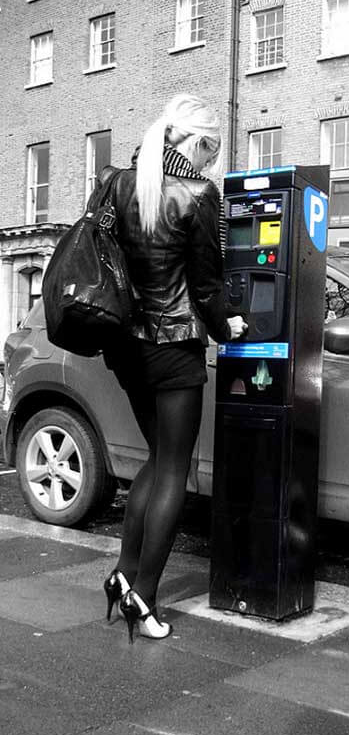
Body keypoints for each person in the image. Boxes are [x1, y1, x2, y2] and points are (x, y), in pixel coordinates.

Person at [102, 94, 246, 643]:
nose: (212, 163)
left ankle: (122, 575)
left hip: (126, 348)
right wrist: (229, 324)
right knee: (174, 473)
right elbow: (208, 286)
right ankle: (146, 596)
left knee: (155, 460)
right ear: (197, 142)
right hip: (174, 347)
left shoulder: (118, 181)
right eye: (211, 150)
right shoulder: (199, 194)